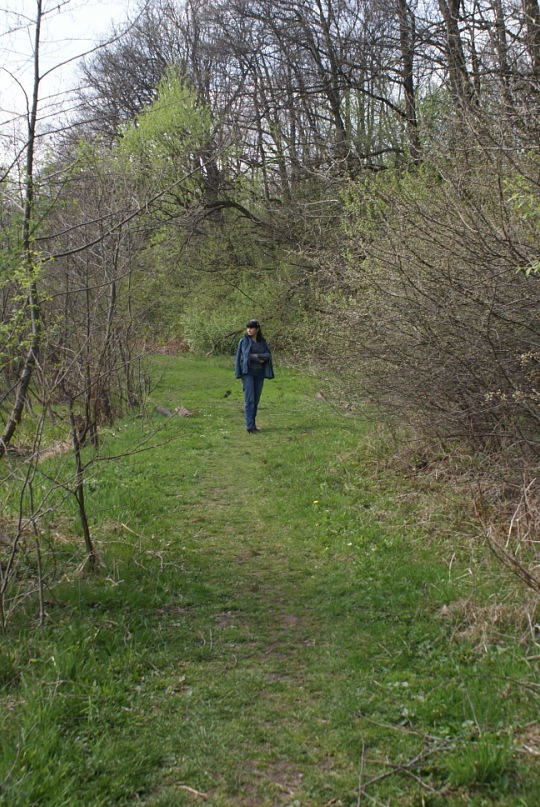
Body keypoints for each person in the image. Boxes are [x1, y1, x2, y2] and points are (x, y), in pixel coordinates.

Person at [235, 319, 274, 433]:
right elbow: (244, 356)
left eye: (251, 328)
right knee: (250, 399)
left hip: (259, 373)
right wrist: (258, 357)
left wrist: (257, 356)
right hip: (247, 373)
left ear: (257, 329)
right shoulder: (244, 341)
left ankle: (253, 424)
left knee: (256, 399)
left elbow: (268, 355)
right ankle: (249, 426)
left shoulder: (262, 342)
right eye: (248, 328)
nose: (249, 330)